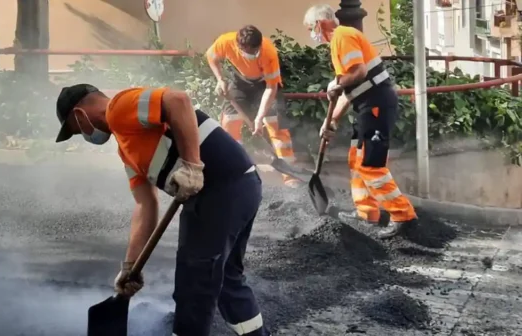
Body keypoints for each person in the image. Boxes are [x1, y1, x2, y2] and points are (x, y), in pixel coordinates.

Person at [54, 84, 270, 336]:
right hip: (233, 187)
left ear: (79, 115)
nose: (85, 136)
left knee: (194, 284)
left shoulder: (119, 108)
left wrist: (191, 164)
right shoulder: (127, 150)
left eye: (77, 131)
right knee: (225, 279)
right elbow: (145, 206)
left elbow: (177, 100)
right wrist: (130, 266)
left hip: (222, 188)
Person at [302, 5, 418, 239]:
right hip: (367, 105)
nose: (311, 34)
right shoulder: (342, 40)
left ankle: (403, 216)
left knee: (370, 165)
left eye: (309, 28)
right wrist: (331, 121)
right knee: (356, 160)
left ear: (319, 24)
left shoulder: (342, 37)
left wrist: (339, 83)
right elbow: (350, 90)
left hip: (376, 105)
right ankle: (367, 211)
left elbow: (359, 72)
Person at [207, 25, 306, 189]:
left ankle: (289, 176)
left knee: (276, 125)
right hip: (239, 82)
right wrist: (220, 79)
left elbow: (271, 88)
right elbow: (211, 57)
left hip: (264, 84)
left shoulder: (268, 52)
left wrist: (259, 118)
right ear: (239, 46)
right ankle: (235, 170)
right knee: (229, 123)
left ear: (260, 45)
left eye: (255, 51)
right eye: (249, 52)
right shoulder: (226, 42)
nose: (253, 55)